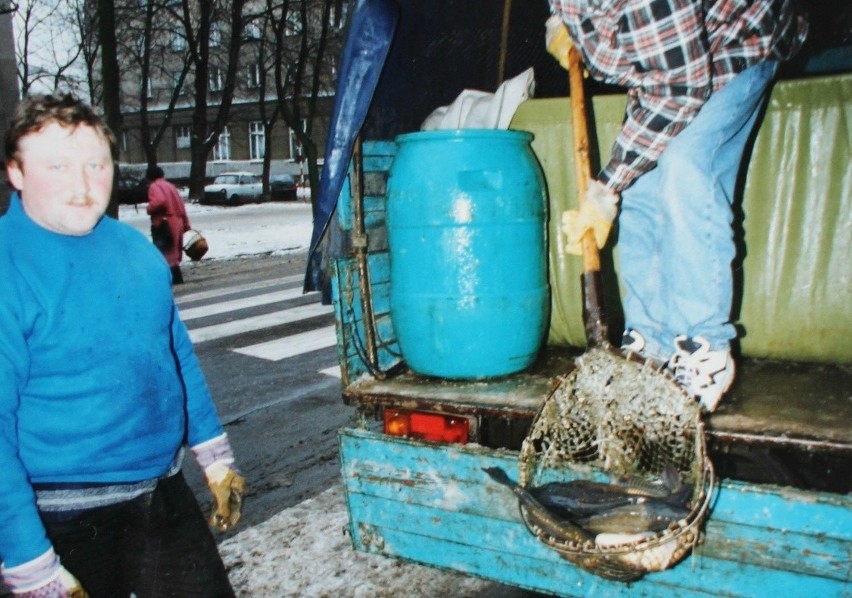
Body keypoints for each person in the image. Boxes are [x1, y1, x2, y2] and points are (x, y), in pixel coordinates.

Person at [0, 94, 245, 597]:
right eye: (58, 166)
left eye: (96, 164)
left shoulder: (135, 250)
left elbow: (175, 359)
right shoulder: (8, 265)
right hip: (61, 514)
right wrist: (30, 563)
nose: (83, 185)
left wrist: (215, 458)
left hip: (160, 491)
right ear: (17, 173)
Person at [549, 0, 807, 412]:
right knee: (638, 184)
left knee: (686, 166)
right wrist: (564, 22)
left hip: (737, 40)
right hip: (672, 59)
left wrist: (603, 189)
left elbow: (679, 89)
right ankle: (650, 341)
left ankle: (704, 347)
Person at [146, 164, 190, 284]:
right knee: (174, 254)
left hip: (164, 223)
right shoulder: (170, 186)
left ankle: (170, 281)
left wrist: (149, 208)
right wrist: (186, 223)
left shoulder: (154, 186)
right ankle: (178, 279)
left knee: (165, 254)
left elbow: (159, 201)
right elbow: (181, 205)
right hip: (177, 221)